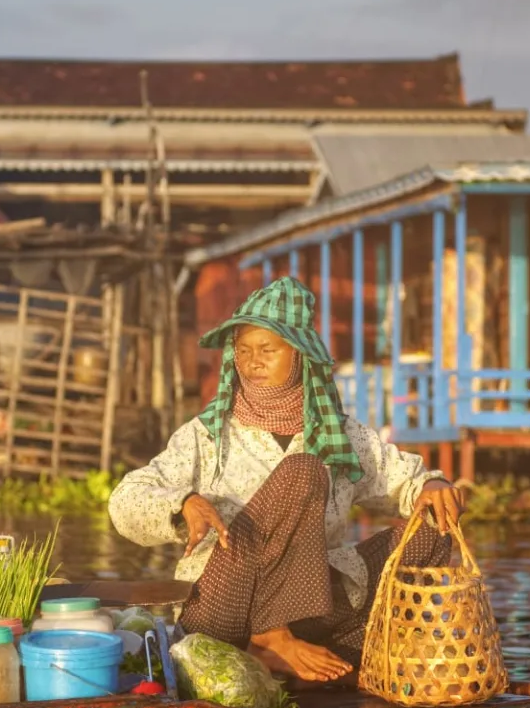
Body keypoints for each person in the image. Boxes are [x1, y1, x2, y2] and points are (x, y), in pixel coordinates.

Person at [109, 276, 467, 684]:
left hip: (306, 611)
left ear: (299, 356)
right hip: (222, 609)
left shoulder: (341, 434)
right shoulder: (206, 435)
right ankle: (269, 640)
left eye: (267, 350)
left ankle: (328, 652)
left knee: (435, 529)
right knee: (303, 470)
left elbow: (405, 479)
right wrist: (183, 503)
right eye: (242, 351)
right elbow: (125, 499)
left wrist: (432, 486)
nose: (251, 362)